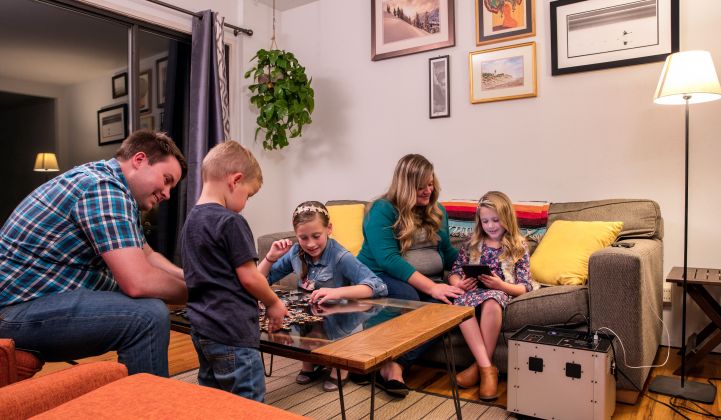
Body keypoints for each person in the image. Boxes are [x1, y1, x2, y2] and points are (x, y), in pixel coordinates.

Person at [0, 130, 188, 377]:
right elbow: (138, 282)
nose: (167, 193)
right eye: (166, 180)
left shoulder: (109, 184)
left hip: (25, 306)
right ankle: (148, 412)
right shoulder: (103, 187)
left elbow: (148, 255)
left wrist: (191, 277)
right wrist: (202, 291)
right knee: (148, 316)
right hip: (12, 313)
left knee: (149, 308)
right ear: (139, 160)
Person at [180, 141, 288, 402]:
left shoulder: (191, 220)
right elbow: (249, 278)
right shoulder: (231, 221)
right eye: (248, 195)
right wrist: (273, 302)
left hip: (202, 329)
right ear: (235, 180)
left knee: (214, 400)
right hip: (233, 333)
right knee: (247, 403)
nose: (246, 203)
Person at [356, 153, 464, 396]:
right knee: (408, 294)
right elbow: (388, 260)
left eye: (430, 183)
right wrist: (432, 287)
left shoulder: (437, 211)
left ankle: (392, 364)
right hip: (377, 274)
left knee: (448, 306)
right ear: (406, 186)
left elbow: (446, 252)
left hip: (425, 281)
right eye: (420, 186)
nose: (428, 190)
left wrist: (468, 272)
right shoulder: (382, 210)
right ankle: (377, 359)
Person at [259, 201, 388, 392]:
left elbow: (378, 286)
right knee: (296, 317)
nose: (310, 244)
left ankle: (341, 368)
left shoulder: (340, 256)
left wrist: (336, 292)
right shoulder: (295, 252)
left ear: (329, 229)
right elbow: (259, 280)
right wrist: (270, 257)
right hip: (309, 318)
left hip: (338, 318)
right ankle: (310, 363)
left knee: (332, 331)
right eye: (303, 238)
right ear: (296, 235)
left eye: (316, 236)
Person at [448, 191, 533, 400]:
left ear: (507, 218)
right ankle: (487, 368)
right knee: (460, 304)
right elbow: (455, 271)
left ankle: (479, 369)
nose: (491, 226)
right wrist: (459, 283)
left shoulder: (517, 246)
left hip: (501, 292)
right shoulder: (472, 243)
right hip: (473, 292)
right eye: (485, 221)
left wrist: (500, 284)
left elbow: (525, 286)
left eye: (496, 220)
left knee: (492, 301)